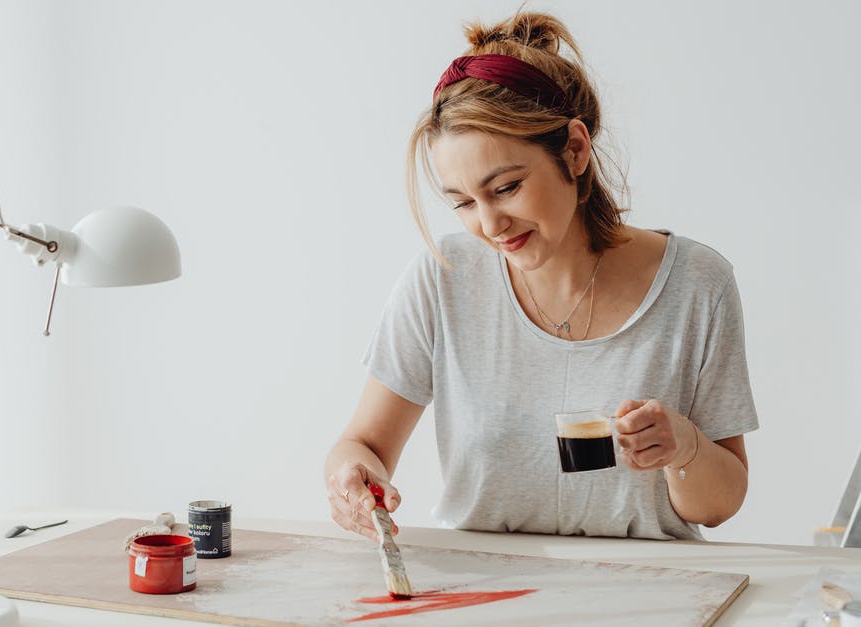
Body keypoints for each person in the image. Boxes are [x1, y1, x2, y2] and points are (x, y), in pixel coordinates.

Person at [324, 11, 758, 541]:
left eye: (506, 187)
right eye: (462, 202)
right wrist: (351, 479)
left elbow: (719, 505)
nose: (489, 225)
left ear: (575, 150)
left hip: (648, 589)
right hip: (485, 590)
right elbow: (363, 445)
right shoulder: (443, 279)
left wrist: (683, 446)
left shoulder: (697, 284)